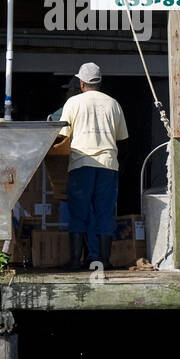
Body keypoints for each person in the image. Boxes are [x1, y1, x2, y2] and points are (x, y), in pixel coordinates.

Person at [57, 62, 128, 270]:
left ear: (81, 82)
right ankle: (104, 260)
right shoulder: (113, 103)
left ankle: (75, 262)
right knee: (105, 213)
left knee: (79, 213)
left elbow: (63, 136)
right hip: (108, 164)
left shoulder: (73, 103)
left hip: (81, 163)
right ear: (99, 81)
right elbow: (122, 138)